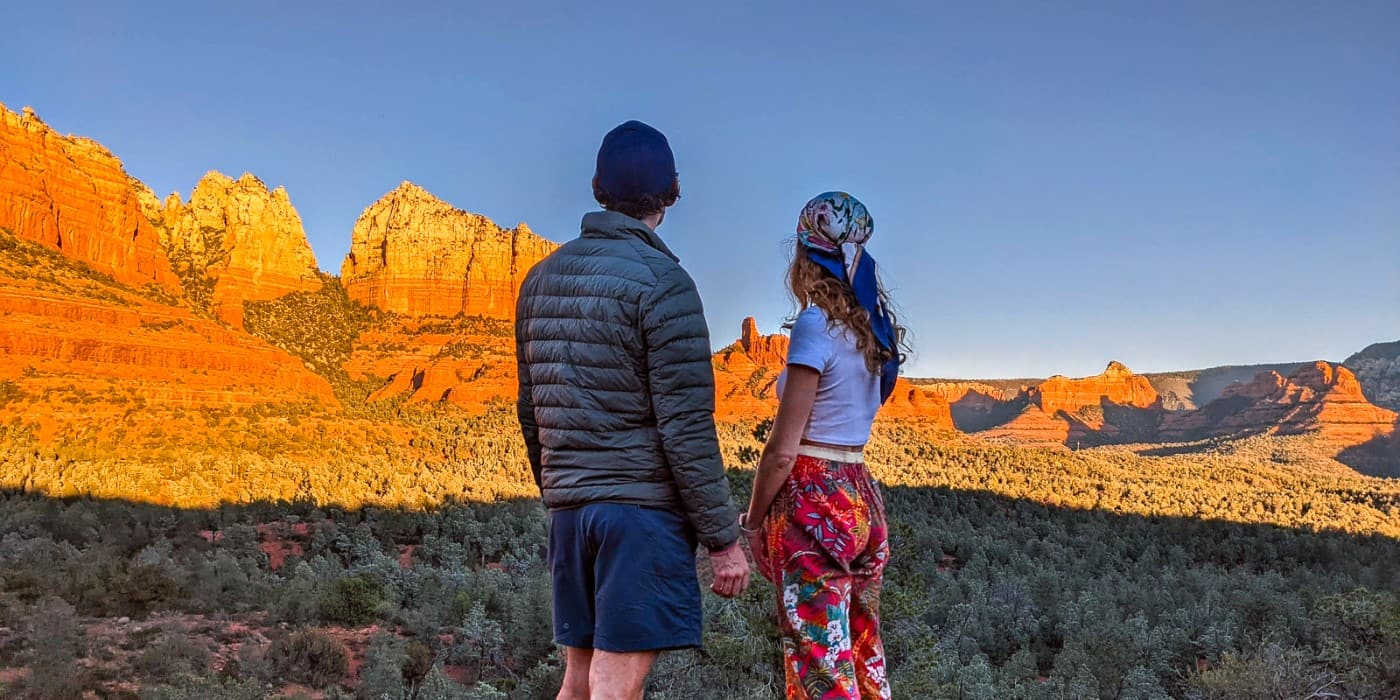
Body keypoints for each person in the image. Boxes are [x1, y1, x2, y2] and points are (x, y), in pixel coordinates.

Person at [514, 120, 751, 700]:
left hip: (571, 514)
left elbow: (530, 411)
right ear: (669, 196)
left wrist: (563, 491)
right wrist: (722, 540)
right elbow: (686, 426)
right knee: (616, 685)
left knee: (579, 679)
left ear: (598, 187)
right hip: (638, 517)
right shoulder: (665, 283)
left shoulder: (539, 280)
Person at [743, 192, 905, 699]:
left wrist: (751, 521)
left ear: (805, 254)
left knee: (819, 668)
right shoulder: (871, 334)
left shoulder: (817, 324)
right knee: (862, 654)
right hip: (862, 495)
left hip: (815, 498)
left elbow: (783, 450)